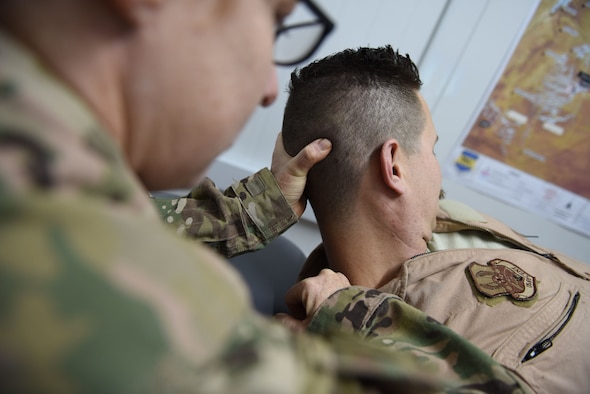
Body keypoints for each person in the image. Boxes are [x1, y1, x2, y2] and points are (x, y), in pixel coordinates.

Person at [0, 0, 532, 392]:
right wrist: (347, 312)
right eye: (275, 22)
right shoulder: (66, 247)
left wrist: (260, 205)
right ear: (393, 163)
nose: (268, 87)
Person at [281, 45, 590, 394]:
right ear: (395, 165)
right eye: (432, 149)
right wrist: (352, 318)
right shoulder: (360, 362)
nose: (437, 171)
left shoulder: (450, 220)